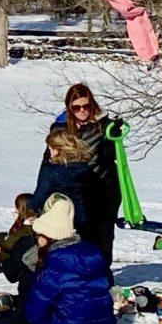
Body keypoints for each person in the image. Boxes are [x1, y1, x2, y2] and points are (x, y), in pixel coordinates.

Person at [16, 194, 114, 324]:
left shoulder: (55, 264)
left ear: (49, 237)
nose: (37, 238)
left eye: (39, 234)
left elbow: (34, 313)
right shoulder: (93, 257)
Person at [48, 82, 121, 269]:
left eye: (86, 106)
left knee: (104, 235)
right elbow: (50, 160)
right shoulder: (61, 129)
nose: (82, 111)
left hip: (104, 187)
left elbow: (112, 155)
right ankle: (83, 273)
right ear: (69, 108)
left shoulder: (104, 125)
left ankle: (103, 274)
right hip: (77, 189)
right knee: (81, 234)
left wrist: (115, 135)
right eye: (77, 107)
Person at [0, 194, 41, 287]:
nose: (15, 210)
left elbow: (8, 244)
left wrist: (0, 237)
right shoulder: (40, 223)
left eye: (17, 207)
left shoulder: (27, 228)